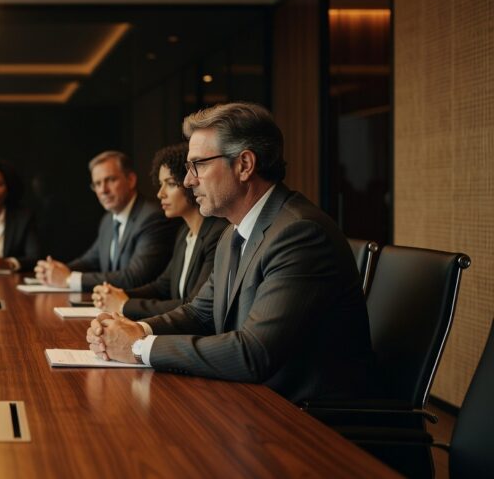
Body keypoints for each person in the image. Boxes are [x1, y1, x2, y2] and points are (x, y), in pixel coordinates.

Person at [87, 102, 375, 403]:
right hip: (251, 405)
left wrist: (139, 346)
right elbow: (201, 313)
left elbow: (253, 353)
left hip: (308, 425)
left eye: (198, 165)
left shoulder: (300, 234)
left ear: (244, 165)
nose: (188, 180)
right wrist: (136, 328)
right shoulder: (232, 232)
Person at [92, 143, 228, 319]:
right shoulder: (183, 233)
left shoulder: (217, 234)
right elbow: (162, 286)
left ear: (189, 183)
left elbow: (194, 305)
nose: (160, 194)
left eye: (170, 184)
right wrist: (118, 294)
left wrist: (125, 304)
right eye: (161, 184)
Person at [34, 151, 180, 290]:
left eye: (110, 180)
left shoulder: (152, 217)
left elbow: (135, 277)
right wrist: (57, 270)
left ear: (131, 180)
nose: (103, 190)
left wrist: (69, 279)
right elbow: (90, 260)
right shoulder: (108, 220)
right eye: (97, 184)